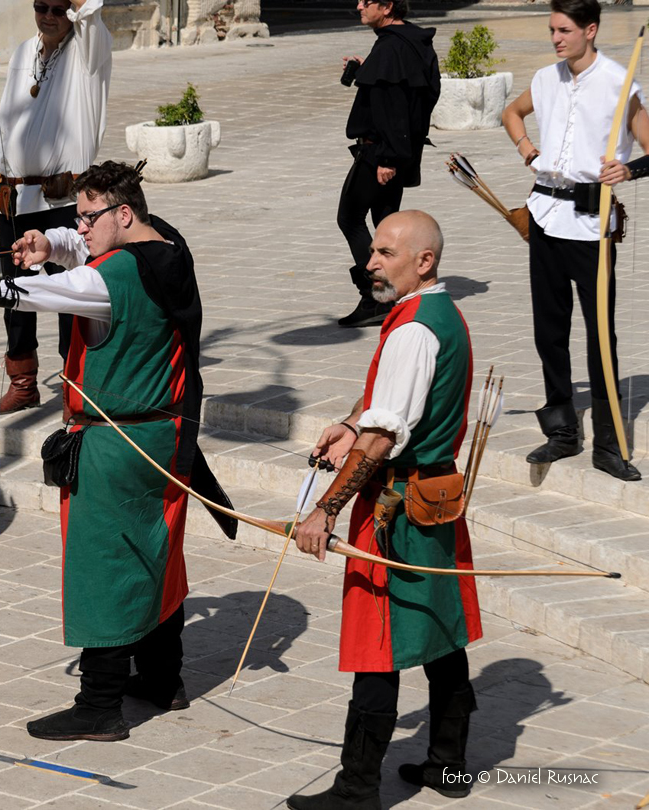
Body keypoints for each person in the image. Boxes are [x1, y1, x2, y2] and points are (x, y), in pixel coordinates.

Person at [0, 162, 229, 741]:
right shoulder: (167, 246)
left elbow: (48, 291)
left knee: (102, 566)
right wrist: (51, 244)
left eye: (89, 218)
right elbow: (82, 253)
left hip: (115, 445)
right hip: (164, 437)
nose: (80, 228)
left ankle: (99, 705)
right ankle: (163, 678)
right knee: (156, 552)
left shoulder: (110, 277)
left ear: (123, 213)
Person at [290, 211, 481, 809]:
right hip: (435, 498)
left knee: (377, 646)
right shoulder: (436, 313)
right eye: (372, 251)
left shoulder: (414, 329)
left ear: (424, 261)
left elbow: (383, 436)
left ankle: (356, 791)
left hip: (397, 508)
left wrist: (324, 510)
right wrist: (351, 422)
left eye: (385, 253)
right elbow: (383, 405)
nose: (370, 263)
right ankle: (448, 766)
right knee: (440, 628)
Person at [501, 0, 647, 482]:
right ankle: (562, 431)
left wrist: (629, 169)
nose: (556, 39)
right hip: (544, 216)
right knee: (549, 329)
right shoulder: (546, 79)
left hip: (590, 224)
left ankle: (608, 445)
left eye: (564, 30)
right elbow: (511, 112)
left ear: (591, 29)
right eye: (552, 30)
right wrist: (527, 149)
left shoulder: (618, 83)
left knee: (601, 335)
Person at [0, 0, 112, 414]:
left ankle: (77, 388)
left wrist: (77, 9)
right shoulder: (25, 51)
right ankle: (23, 383)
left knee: (68, 298)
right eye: (41, 5)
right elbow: (9, 122)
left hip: (63, 197)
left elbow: (90, 10)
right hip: (15, 196)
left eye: (60, 7)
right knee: (15, 294)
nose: (49, 15)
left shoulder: (89, 47)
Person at [335, 0, 439, 328]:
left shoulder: (392, 48)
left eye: (366, 2)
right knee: (385, 225)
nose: (359, 6)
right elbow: (416, 91)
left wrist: (387, 158)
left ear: (387, 6)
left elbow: (395, 106)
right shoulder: (410, 41)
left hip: (381, 153)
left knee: (350, 218)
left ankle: (374, 296)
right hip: (398, 150)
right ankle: (395, 292)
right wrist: (368, 69)